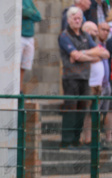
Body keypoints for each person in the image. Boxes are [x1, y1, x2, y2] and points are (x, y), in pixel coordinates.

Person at [59, 7, 105, 149]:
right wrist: (89, 55)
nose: (77, 21)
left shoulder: (85, 35)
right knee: (70, 109)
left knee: (82, 109)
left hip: (85, 77)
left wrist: (82, 53)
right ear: (68, 20)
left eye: (79, 18)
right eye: (74, 18)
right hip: (71, 77)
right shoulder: (65, 35)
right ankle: (66, 141)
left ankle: (76, 140)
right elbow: (73, 55)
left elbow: (103, 53)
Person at [81, 21, 110, 146]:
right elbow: (82, 54)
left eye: (107, 30)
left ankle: (95, 137)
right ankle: (87, 138)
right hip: (91, 83)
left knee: (100, 112)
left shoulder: (100, 44)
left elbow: (106, 54)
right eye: (96, 30)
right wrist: (96, 54)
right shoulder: (85, 42)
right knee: (90, 112)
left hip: (103, 84)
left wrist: (99, 54)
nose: (99, 33)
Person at [20, 0, 42, 94]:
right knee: (16, 65)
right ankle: (15, 90)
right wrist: (30, 12)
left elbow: (38, 16)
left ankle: (19, 89)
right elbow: (22, 12)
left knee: (24, 66)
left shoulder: (29, 1)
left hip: (29, 37)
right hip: (19, 36)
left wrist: (28, 12)